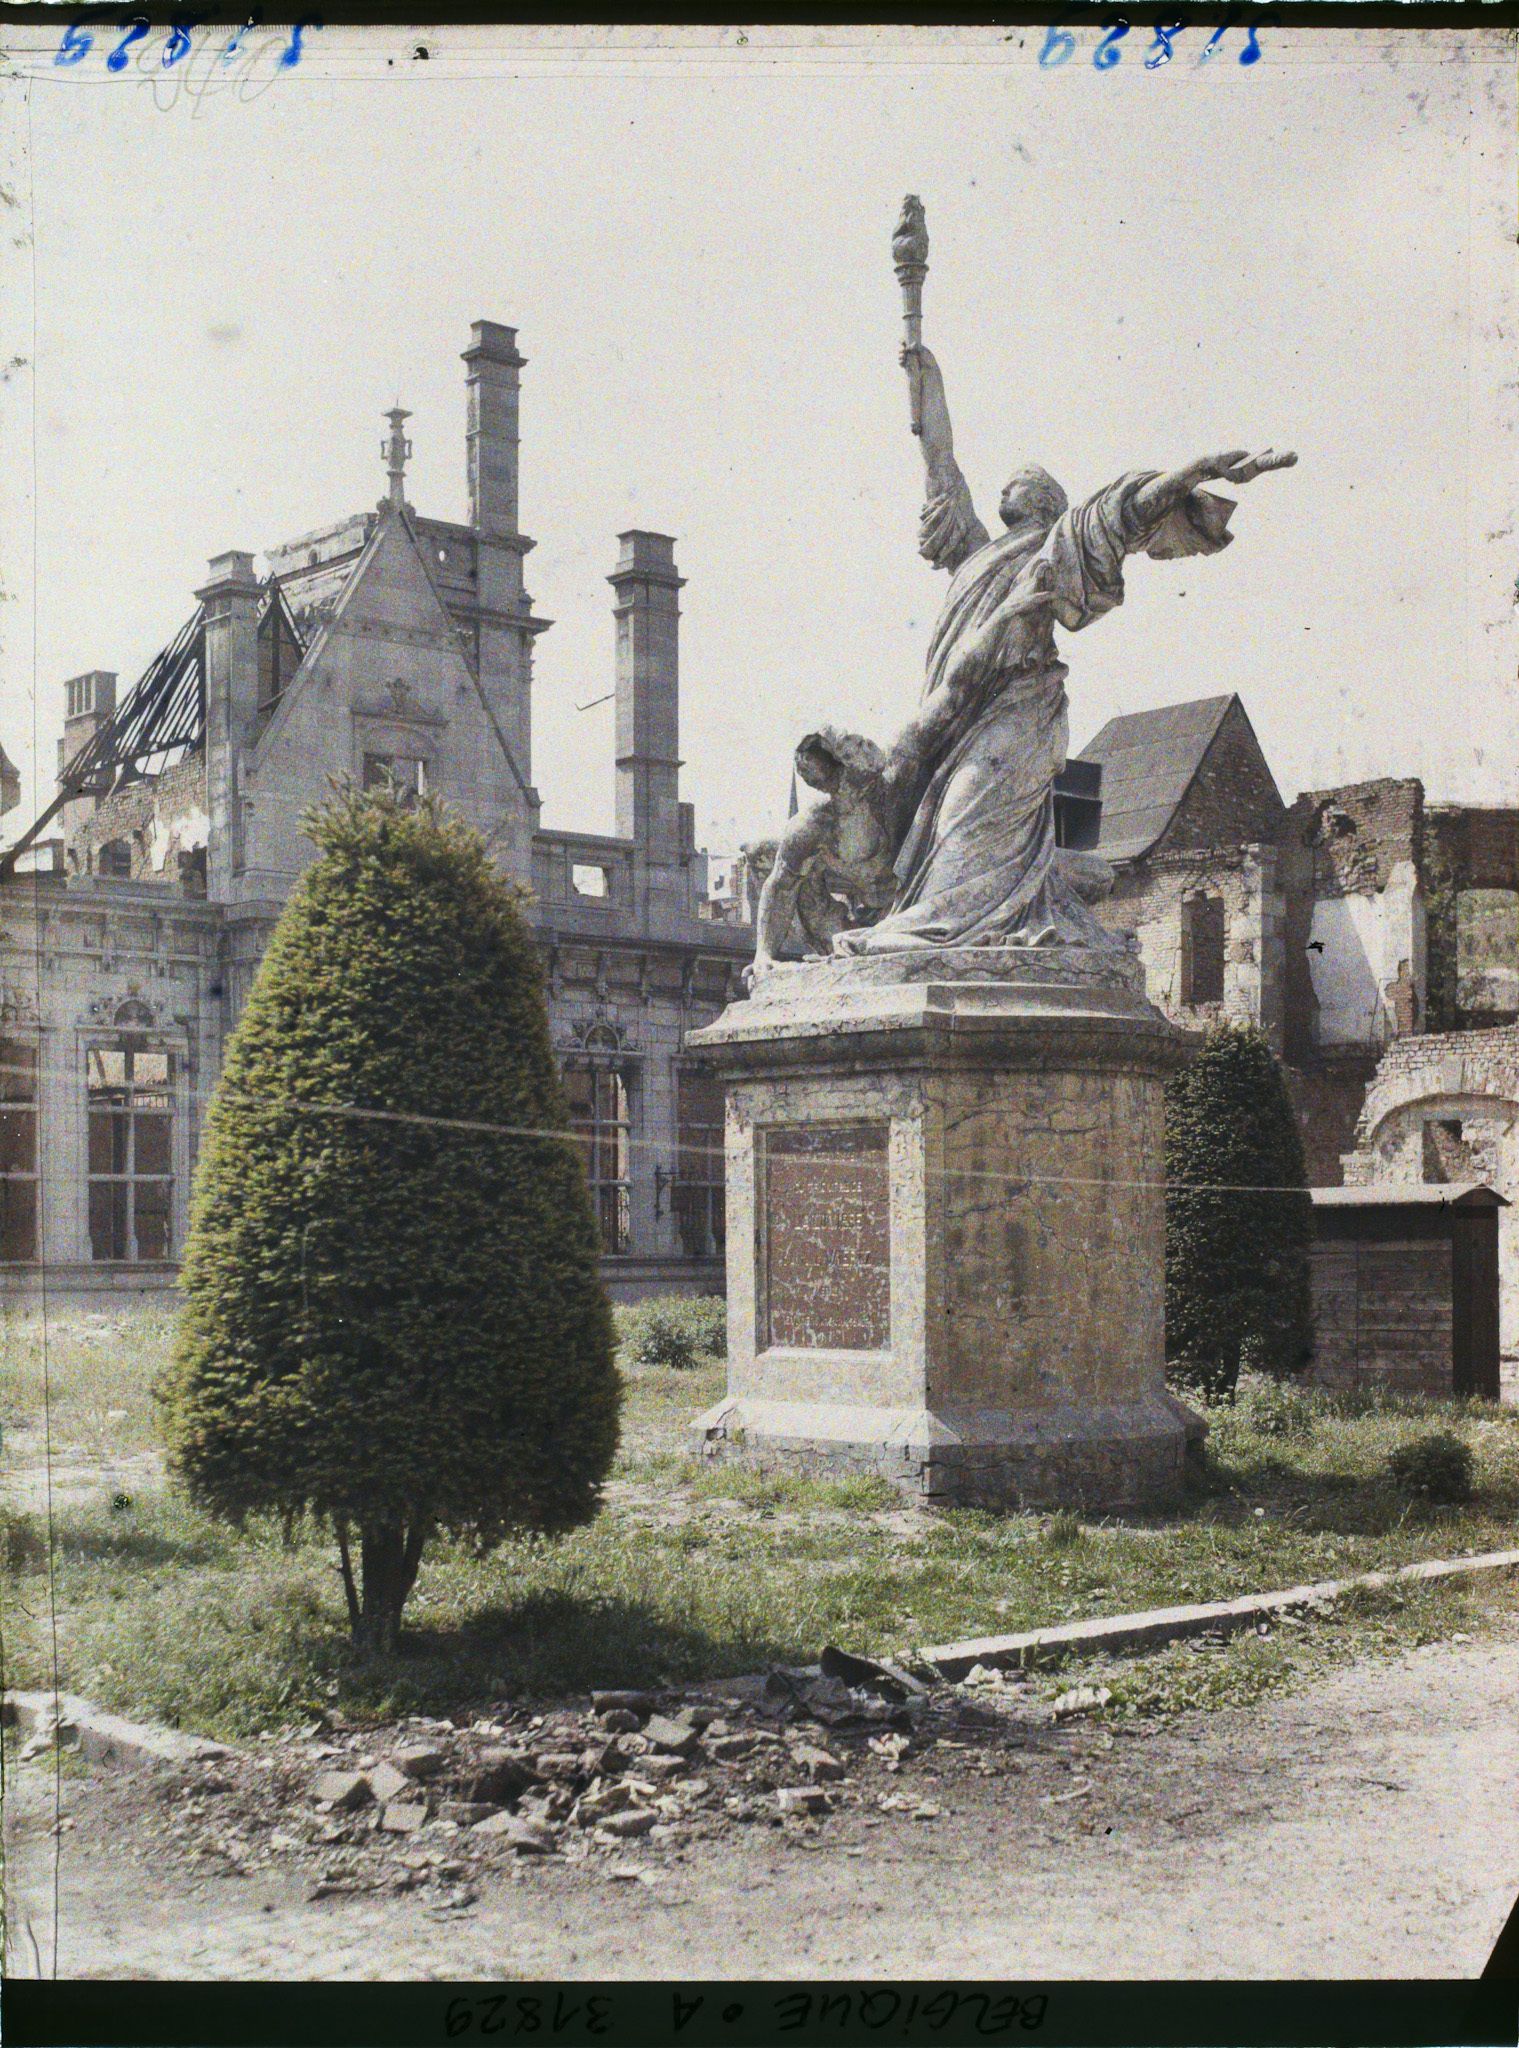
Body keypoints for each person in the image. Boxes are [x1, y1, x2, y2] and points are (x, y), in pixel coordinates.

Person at [834, 341, 1295, 955]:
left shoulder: (1058, 548)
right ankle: (941, 928)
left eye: (1029, 482)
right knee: (947, 832)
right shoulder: (977, 551)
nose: (1012, 483)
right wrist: (926, 376)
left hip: (1020, 712)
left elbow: (1126, 511)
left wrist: (1200, 468)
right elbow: (939, 454)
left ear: (1051, 506)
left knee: (967, 826)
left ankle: (939, 934)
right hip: (956, 719)